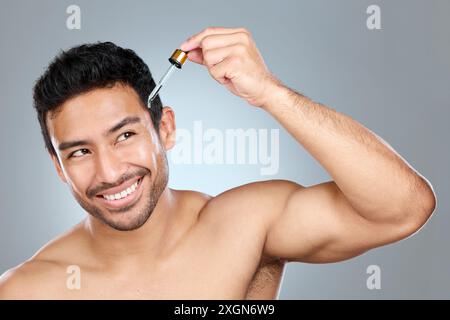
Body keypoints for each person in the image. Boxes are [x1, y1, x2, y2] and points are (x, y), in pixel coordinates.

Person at [0, 27, 436, 299]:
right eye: (79, 152)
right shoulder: (28, 290)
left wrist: (270, 93)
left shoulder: (247, 225)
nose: (110, 172)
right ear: (58, 166)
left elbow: (403, 207)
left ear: (164, 128)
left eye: (125, 135)